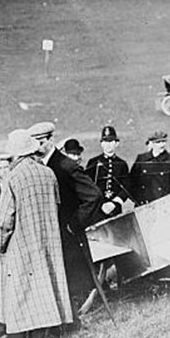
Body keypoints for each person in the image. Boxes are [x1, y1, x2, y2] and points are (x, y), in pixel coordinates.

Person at [0, 130, 73, 338]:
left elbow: (4, 220)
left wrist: (0, 246)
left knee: (20, 294)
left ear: (15, 154)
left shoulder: (13, 177)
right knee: (43, 290)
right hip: (48, 242)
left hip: (20, 244)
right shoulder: (48, 173)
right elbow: (57, 206)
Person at [28, 122, 102, 315]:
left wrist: (74, 224)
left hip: (67, 232)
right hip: (51, 232)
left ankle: (81, 309)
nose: (37, 147)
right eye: (34, 143)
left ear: (51, 140)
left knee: (75, 272)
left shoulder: (66, 165)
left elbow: (93, 195)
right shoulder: (40, 165)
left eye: (41, 142)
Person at [85, 126, 131, 220]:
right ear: (101, 144)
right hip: (97, 208)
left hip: (115, 208)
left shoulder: (122, 164)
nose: (108, 144)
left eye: (111, 141)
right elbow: (88, 186)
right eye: (105, 141)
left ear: (116, 143)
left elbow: (126, 187)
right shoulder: (93, 162)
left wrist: (115, 202)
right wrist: (99, 203)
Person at [129, 130, 170, 205]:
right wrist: (137, 199)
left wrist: (168, 200)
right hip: (143, 204)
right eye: (158, 142)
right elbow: (131, 181)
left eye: (163, 142)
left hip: (164, 205)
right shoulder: (142, 159)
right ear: (151, 143)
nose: (161, 145)